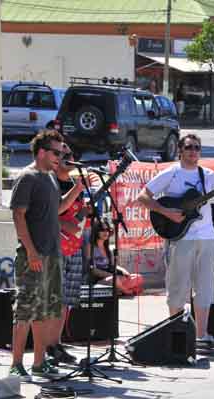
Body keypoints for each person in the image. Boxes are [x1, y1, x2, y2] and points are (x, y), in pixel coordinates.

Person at [137, 133, 214, 346]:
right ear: (180, 151)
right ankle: (176, 334)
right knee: (178, 286)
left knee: (205, 286)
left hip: (208, 237)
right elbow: (143, 197)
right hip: (181, 237)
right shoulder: (172, 173)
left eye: (197, 148)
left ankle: (201, 336)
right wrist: (167, 213)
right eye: (189, 147)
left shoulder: (209, 175)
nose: (193, 151)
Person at [9, 129, 85, 380]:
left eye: (63, 152)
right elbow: (18, 215)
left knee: (45, 311)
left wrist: (77, 189)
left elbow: (58, 208)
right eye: (56, 152)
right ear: (41, 152)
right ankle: (16, 363)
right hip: (34, 255)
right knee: (25, 311)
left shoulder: (50, 178)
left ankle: (39, 362)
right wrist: (31, 251)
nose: (60, 157)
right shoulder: (28, 177)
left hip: (53, 255)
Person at [51, 143, 87, 363]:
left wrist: (86, 212)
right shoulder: (51, 182)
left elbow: (78, 214)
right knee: (54, 299)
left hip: (74, 247)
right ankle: (48, 346)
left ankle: (58, 343)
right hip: (56, 247)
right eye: (62, 154)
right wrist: (66, 226)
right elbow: (47, 214)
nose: (68, 158)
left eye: (70, 154)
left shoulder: (74, 183)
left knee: (67, 300)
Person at [87, 218, 144, 295]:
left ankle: (119, 290)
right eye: (102, 230)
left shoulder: (108, 248)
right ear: (96, 231)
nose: (106, 232)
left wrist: (123, 270)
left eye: (107, 230)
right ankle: (126, 291)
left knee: (138, 277)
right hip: (99, 280)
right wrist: (111, 275)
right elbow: (93, 270)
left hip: (113, 278)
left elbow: (113, 265)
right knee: (115, 279)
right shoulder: (90, 247)